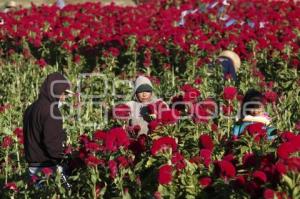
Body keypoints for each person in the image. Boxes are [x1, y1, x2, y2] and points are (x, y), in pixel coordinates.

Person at [23, 72, 73, 188]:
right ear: (55, 90)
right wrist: (64, 157)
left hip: (32, 167)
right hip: (47, 168)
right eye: (63, 93)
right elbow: (51, 144)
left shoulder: (30, 109)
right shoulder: (52, 112)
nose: (64, 98)